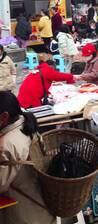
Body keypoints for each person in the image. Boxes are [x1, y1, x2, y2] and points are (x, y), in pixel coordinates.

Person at [0, 92, 55, 224]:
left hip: (24, 213)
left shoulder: (7, 145)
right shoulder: (25, 123)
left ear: (4, 117)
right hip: (42, 205)